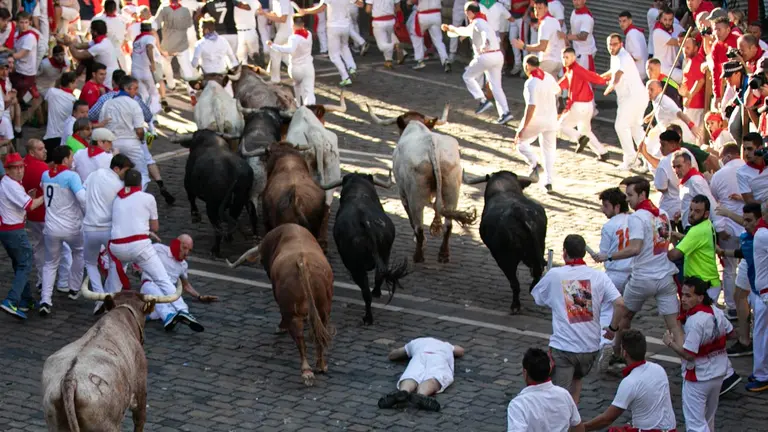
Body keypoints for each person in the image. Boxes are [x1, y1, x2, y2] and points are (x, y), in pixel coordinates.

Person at [595, 176, 684, 360]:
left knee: (623, 316)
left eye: (630, 195)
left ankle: (616, 354)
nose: (627, 199)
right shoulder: (663, 214)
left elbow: (635, 248)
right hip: (665, 277)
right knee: (674, 325)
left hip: (643, 278)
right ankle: (687, 360)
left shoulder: (637, 218)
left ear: (642, 194)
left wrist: (609, 256)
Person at [532, 234, 624, 403]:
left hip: (565, 348)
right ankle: (573, 422)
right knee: (577, 380)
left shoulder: (555, 274)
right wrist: (612, 329)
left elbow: (538, 298)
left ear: (564, 253)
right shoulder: (600, 277)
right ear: (584, 253)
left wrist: (548, 279)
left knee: (559, 397)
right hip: (590, 349)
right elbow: (620, 303)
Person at [662, 276, 736, 430]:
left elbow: (689, 355)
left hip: (699, 377)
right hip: (718, 372)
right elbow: (730, 333)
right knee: (708, 419)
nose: (683, 299)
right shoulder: (716, 311)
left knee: (695, 423)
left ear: (700, 297)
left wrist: (670, 342)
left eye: (688, 296)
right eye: (682, 294)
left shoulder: (695, 321)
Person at [583, 329, 677, 431]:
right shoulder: (659, 369)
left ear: (624, 353)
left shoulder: (630, 382)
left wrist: (582, 428)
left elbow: (607, 419)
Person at [105, 169, 174, 299]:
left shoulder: (116, 199)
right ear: (140, 184)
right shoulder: (148, 198)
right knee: (162, 279)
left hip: (117, 249)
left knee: (113, 281)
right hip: (139, 247)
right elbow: (155, 227)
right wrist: (148, 231)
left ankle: (106, 303)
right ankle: (180, 308)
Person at [442, 2, 513, 124]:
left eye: (466, 12)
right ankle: (505, 113)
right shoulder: (480, 21)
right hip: (497, 56)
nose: (466, 15)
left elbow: (484, 32)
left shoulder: (478, 22)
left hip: (486, 56)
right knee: (496, 86)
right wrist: (450, 28)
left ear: (470, 12)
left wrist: (485, 44)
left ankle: (482, 100)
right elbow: (463, 31)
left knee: (467, 76)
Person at [83, 154, 133, 315]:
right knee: (116, 264)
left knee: (90, 263)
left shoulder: (94, 174)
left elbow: (83, 194)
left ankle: (100, 297)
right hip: (109, 230)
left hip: (89, 227)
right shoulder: (120, 185)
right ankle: (109, 296)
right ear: (117, 168)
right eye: (126, 170)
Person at [39, 146, 87, 315]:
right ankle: (74, 288)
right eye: (71, 157)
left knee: (50, 263)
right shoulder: (71, 176)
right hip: (71, 227)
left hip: (51, 228)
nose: (73, 159)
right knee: (79, 253)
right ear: (65, 160)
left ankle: (45, 299)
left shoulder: (45, 174)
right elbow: (82, 199)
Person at [0, 153, 44, 319]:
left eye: (21, 167)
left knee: (19, 264)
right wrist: (46, 195)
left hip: (7, 230)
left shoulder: (8, 182)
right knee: (25, 264)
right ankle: (11, 300)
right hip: (14, 231)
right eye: (15, 168)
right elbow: (31, 205)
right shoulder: (11, 185)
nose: (19, 171)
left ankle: (26, 300)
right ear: (8, 170)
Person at [593, 187, 632, 370]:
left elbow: (604, 253)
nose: (603, 209)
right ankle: (621, 350)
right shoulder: (635, 220)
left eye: (606, 206)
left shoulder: (609, 226)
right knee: (625, 315)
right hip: (633, 275)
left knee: (606, 311)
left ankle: (606, 343)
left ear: (616, 207)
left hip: (615, 274)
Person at [141, 234, 211, 331]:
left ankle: (150, 314)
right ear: (177, 243)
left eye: (189, 250)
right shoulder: (159, 249)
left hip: (166, 293)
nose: (186, 253)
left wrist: (199, 296)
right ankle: (168, 316)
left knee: (170, 302)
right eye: (185, 248)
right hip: (150, 286)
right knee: (154, 291)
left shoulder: (183, 265)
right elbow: (140, 254)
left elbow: (186, 285)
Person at [506, 347, 584, 432]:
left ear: (525, 372)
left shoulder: (518, 405)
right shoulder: (564, 394)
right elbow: (578, 427)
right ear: (550, 369)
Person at [718, 203, 759, 359]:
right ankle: (745, 340)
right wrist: (723, 252)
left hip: (759, 272)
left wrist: (728, 213)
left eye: (749, 221)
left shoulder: (760, 237)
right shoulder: (749, 235)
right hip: (748, 264)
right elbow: (743, 252)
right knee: (739, 296)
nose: (745, 224)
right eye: (744, 220)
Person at [602, 33, 648, 170]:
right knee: (635, 129)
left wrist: (610, 87)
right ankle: (648, 160)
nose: (612, 47)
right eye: (610, 44)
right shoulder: (615, 56)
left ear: (621, 44)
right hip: (632, 98)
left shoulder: (624, 56)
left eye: (615, 44)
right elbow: (612, 71)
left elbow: (618, 74)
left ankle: (630, 159)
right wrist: (598, 77)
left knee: (621, 126)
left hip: (633, 97)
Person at [515, 54, 560, 192]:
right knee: (549, 150)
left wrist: (522, 127)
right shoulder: (548, 76)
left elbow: (531, 106)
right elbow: (557, 90)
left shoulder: (531, 83)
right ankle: (548, 181)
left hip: (537, 120)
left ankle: (534, 162)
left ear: (527, 66)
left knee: (520, 143)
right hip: (551, 119)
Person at [710, 143, 745, 317]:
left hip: (728, 229)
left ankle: (732, 306)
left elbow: (714, 201)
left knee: (729, 270)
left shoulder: (719, 175)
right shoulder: (749, 171)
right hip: (747, 228)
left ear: (728, 157)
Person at [557, 47, 608, 160]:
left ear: (574, 58)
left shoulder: (576, 70)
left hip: (579, 106)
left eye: (567, 57)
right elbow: (561, 84)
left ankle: (579, 138)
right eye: (563, 57)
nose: (565, 60)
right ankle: (603, 152)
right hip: (586, 106)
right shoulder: (570, 70)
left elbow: (592, 76)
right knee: (586, 131)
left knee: (561, 126)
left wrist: (606, 80)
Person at [298, 0, 365, 87]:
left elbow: (321, 8)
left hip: (333, 26)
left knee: (334, 55)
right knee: (344, 47)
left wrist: (306, 11)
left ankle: (345, 77)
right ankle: (351, 67)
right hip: (345, 25)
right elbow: (361, 4)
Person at [99, 75, 149, 190]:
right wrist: (141, 139)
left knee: (114, 174)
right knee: (141, 173)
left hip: (112, 143)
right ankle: (137, 197)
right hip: (131, 143)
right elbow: (139, 129)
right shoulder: (133, 104)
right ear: (127, 89)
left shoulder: (107, 103)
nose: (136, 92)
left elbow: (102, 124)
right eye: (135, 88)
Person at [155, 0, 196, 103]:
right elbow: (199, 9)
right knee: (186, 66)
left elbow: (155, 24)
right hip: (184, 38)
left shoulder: (164, 5)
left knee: (166, 62)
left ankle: (171, 85)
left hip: (169, 41)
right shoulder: (189, 2)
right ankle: (191, 91)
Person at [267, 17, 314, 106]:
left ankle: (299, 105)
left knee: (297, 85)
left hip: (296, 68)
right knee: (309, 91)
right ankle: (310, 108)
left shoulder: (293, 38)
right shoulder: (309, 34)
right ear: (303, 24)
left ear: (293, 25)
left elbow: (289, 49)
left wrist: (273, 45)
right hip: (308, 67)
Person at [510, 0, 564, 77]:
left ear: (546, 9)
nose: (537, 11)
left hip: (548, 62)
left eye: (540, 8)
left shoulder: (545, 23)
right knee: (552, 88)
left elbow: (542, 47)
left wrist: (524, 46)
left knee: (535, 83)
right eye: (535, 8)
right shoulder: (554, 21)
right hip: (558, 62)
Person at [59, 20, 119, 89]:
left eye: (91, 30)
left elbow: (78, 55)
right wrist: (63, 40)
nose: (90, 32)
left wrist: (69, 43)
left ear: (95, 32)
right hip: (106, 73)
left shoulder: (100, 46)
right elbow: (78, 45)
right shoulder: (103, 41)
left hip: (107, 77)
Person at [673, 151, 719, 231]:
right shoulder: (687, 181)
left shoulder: (695, 181)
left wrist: (719, 227)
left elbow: (709, 202)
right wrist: (681, 212)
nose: (676, 170)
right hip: (691, 227)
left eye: (679, 166)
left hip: (696, 228)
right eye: (674, 167)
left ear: (688, 164)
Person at [192, 19, 239, 94]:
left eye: (201, 28)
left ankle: (192, 93)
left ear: (206, 30)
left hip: (207, 78)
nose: (199, 30)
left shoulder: (199, 44)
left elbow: (194, 64)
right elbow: (233, 59)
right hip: (222, 77)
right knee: (231, 97)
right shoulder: (223, 41)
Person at [750, 201, 768, 392]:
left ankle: (761, 372)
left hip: (763, 292)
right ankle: (762, 373)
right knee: (762, 335)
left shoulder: (762, 232)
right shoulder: (763, 235)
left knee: (761, 333)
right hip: (765, 293)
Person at [42, 71, 77, 156]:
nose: (76, 86)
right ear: (70, 83)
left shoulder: (51, 92)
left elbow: (46, 105)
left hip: (49, 137)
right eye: (75, 83)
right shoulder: (73, 100)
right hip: (63, 139)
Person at [405, 0, 446, 71]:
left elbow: (413, 1)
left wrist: (409, 3)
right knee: (438, 40)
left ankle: (419, 60)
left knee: (416, 36)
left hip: (423, 14)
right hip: (436, 14)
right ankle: (445, 59)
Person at [131, 21, 163, 115]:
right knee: (153, 93)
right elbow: (149, 47)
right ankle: (154, 115)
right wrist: (152, 63)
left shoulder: (136, 40)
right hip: (146, 71)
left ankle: (147, 117)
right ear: (150, 30)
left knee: (143, 95)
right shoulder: (149, 37)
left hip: (136, 71)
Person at [259, 0, 294, 84]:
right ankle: (298, 76)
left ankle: (275, 79)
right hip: (282, 31)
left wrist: (265, 14)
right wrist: (269, 16)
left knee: (275, 52)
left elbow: (283, 19)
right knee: (285, 56)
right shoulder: (274, 1)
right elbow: (275, 14)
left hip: (286, 31)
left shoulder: (283, 1)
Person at [11, 12, 41, 109]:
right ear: (17, 23)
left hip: (26, 72)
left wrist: (6, 53)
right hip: (18, 69)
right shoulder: (16, 34)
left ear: (30, 23)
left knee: (20, 97)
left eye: (26, 22)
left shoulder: (30, 37)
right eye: (21, 22)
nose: (24, 25)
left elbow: (19, 55)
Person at [707, 16, 739, 106]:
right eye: (714, 29)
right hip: (730, 82)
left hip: (743, 80)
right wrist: (717, 95)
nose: (716, 33)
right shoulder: (716, 46)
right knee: (724, 109)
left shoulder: (738, 41)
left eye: (719, 29)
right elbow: (716, 71)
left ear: (728, 30)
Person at [91, 0, 129, 71]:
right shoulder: (123, 20)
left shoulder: (97, 19)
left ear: (104, 7)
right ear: (115, 8)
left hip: (103, 54)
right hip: (116, 53)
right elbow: (127, 37)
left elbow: (91, 36)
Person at [651, 7, 683, 83]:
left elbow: (686, 35)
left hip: (673, 68)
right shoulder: (657, 32)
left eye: (670, 20)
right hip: (663, 69)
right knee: (685, 77)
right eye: (665, 19)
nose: (667, 22)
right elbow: (676, 42)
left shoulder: (675, 27)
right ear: (660, 19)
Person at [365, 0, 401, 69]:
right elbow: (398, 8)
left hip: (378, 21)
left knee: (382, 46)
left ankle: (395, 46)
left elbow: (368, 10)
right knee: (388, 40)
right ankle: (388, 61)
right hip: (391, 20)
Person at [563, 0, 595, 73]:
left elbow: (583, 36)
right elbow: (573, 28)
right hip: (576, 51)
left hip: (585, 53)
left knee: (584, 78)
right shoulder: (574, 12)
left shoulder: (586, 17)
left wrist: (566, 37)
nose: (577, 2)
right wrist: (567, 39)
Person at [737, 132, 766, 205]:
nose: (746, 153)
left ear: (760, 148)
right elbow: (749, 201)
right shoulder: (741, 172)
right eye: (744, 149)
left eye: (750, 149)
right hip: (760, 212)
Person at [617, 11, 647, 80]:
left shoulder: (631, 33)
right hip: (641, 70)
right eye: (620, 21)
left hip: (636, 72)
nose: (621, 24)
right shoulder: (636, 32)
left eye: (624, 21)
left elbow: (637, 55)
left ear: (630, 21)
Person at [233, 0, 260, 64]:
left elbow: (255, 8)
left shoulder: (234, 2)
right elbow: (259, 10)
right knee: (242, 60)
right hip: (243, 32)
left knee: (253, 58)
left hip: (246, 32)